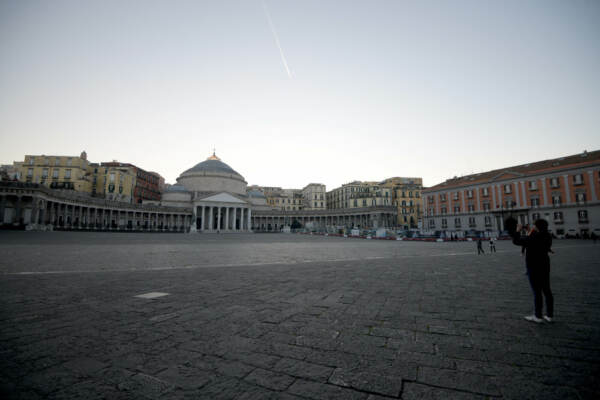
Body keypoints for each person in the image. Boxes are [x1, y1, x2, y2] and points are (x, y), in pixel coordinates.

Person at [508, 218, 554, 324]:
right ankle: (549, 315)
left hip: (534, 266)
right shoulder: (547, 235)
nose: (532, 227)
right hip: (545, 265)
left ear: (537, 227)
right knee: (547, 290)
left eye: (534, 225)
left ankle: (538, 316)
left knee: (537, 291)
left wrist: (518, 230)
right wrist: (530, 231)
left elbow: (517, 241)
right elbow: (538, 242)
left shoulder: (534, 237)